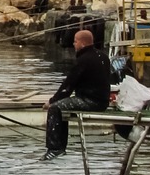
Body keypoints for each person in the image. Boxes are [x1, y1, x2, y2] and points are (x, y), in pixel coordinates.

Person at [42, 28, 112, 160]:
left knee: (55, 108)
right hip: (103, 101)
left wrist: (51, 101)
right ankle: (60, 148)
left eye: (75, 41)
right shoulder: (103, 56)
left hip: (90, 101)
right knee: (61, 106)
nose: (73, 44)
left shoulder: (84, 60)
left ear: (82, 43)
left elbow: (68, 86)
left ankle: (55, 148)